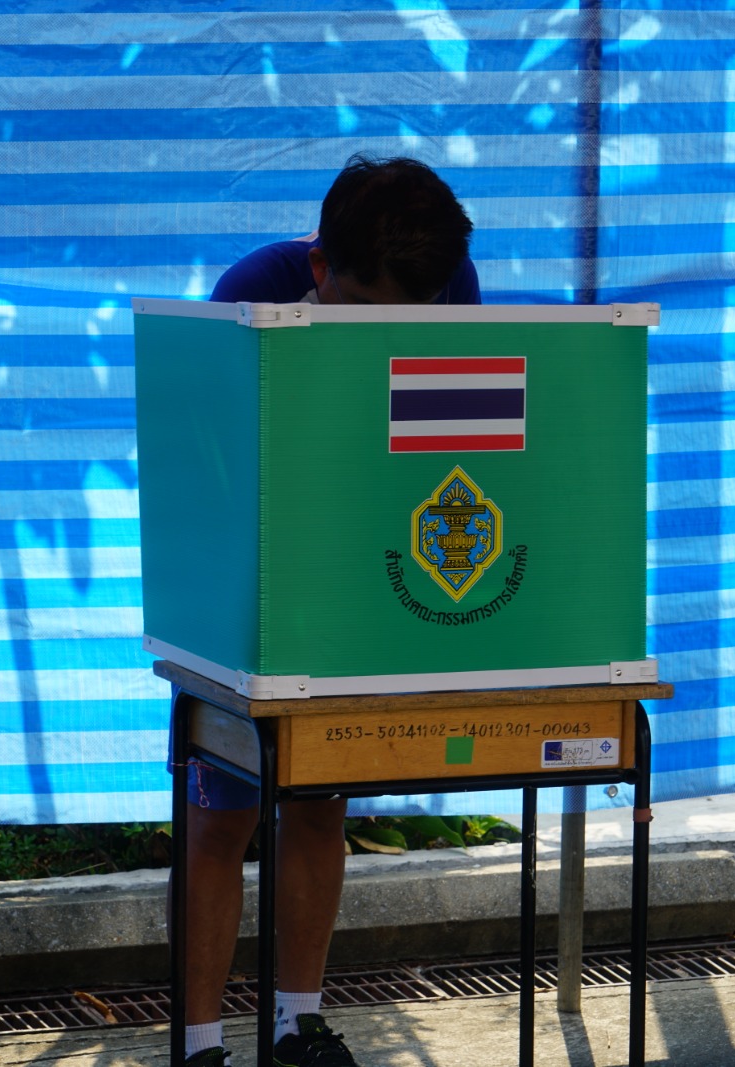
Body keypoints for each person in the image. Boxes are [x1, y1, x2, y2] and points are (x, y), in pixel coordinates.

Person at [179, 155, 480, 1067]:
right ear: (321, 271)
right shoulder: (248, 293)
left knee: (319, 805)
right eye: (368, 313)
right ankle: (199, 1043)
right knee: (222, 815)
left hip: (365, 584)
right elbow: (207, 478)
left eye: (411, 318)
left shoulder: (449, 283)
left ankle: (295, 1027)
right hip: (251, 599)